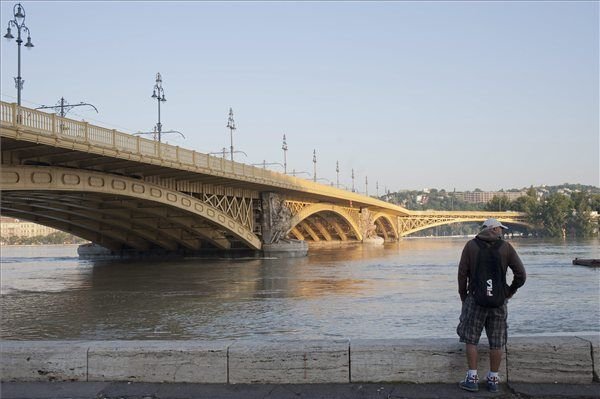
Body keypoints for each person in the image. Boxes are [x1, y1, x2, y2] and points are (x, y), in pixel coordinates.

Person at [456, 218, 526, 393]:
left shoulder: (470, 246)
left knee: (471, 339)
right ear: (493, 229)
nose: (501, 231)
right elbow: (521, 275)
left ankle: (472, 378)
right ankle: (493, 379)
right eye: (500, 229)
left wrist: (464, 296)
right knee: (497, 342)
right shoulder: (506, 247)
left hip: (475, 300)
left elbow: (462, 274)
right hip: (498, 302)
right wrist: (509, 291)